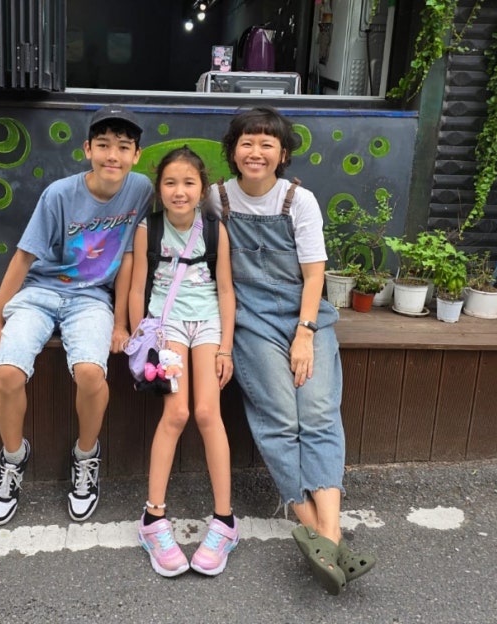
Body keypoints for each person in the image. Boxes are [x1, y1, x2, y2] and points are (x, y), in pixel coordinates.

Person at [205, 107, 376, 594]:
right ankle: (317, 532)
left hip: (305, 316)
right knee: (280, 417)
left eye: (267, 143)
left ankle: (329, 536)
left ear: (282, 154)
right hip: (251, 321)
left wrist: (304, 333)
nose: (256, 152)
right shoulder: (216, 199)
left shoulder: (299, 200)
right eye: (247, 142)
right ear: (233, 150)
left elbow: (314, 274)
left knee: (319, 413)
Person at [0, 105, 153, 526]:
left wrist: (121, 324)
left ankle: (85, 456)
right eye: (104, 145)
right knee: (8, 372)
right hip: (40, 292)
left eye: (123, 147)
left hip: (91, 298)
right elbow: (24, 257)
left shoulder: (142, 189)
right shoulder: (59, 194)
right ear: (87, 149)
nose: (113, 155)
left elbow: (131, 257)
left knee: (91, 372)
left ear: (136, 155)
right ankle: (13, 458)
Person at [128, 145, 237, 577]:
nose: (179, 191)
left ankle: (225, 521)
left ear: (202, 189)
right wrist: (141, 337)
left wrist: (226, 347)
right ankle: (153, 518)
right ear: (159, 188)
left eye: (189, 183)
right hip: (167, 325)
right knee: (177, 413)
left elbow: (225, 290)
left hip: (208, 325)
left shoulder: (215, 230)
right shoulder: (148, 229)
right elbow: (137, 287)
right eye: (170, 182)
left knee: (209, 413)